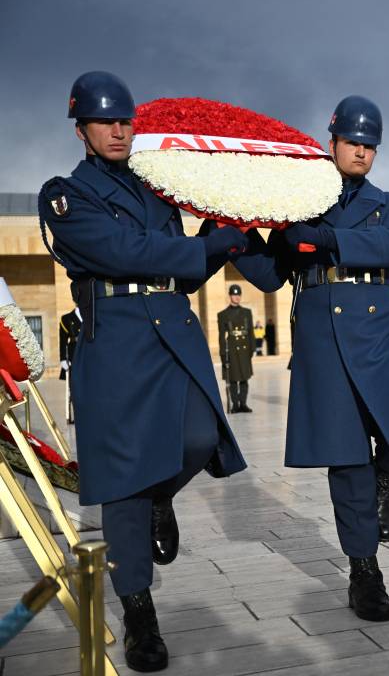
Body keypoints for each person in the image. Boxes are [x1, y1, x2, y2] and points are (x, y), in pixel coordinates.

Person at [39, 71, 248, 671]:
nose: (118, 131)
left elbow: (180, 271)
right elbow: (124, 253)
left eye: (126, 121)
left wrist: (219, 240)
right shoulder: (65, 195)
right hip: (117, 343)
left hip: (172, 331)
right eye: (106, 122)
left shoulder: (158, 191)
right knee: (123, 487)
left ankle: (164, 496)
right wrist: (206, 246)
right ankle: (139, 615)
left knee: (200, 438)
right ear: (81, 129)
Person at [234, 94, 389, 623]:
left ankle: (383, 477)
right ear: (332, 142)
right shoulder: (299, 201)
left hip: (378, 324)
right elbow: (272, 275)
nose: (362, 153)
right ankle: (364, 572)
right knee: (346, 457)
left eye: (370, 146)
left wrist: (323, 238)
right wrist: (232, 237)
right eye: (353, 143)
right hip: (322, 332)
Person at [217, 284, 255, 413]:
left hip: (245, 350)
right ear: (230, 296)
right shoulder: (223, 314)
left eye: (238, 295)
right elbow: (221, 336)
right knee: (233, 379)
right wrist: (223, 354)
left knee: (244, 378)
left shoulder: (247, 313)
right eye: (234, 295)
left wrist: (252, 349)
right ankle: (235, 405)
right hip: (231, 350)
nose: (237, 297)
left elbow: (250, 332)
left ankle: (243, 403)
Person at [58, 306, 82, 424]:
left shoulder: (91, 315)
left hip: (90, 354)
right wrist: (63, 359)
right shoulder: (67, 318)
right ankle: (75, 414)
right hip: (74, 356)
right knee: (74, 388)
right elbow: (63, 340)